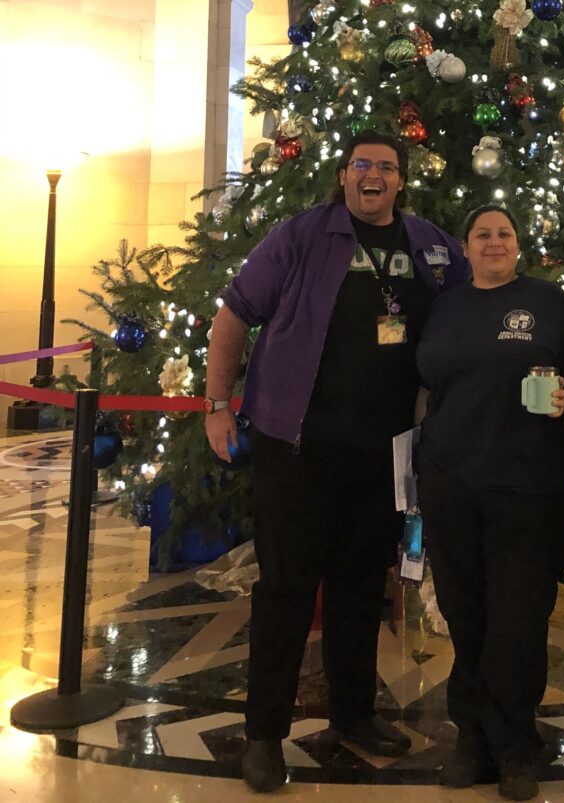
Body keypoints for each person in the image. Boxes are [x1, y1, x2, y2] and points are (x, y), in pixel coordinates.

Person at [203, 130, 469, 793]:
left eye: (387, 167)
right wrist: (216, 404)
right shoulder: (301, 236)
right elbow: (234, 314)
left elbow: (472, 307)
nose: (373, 175)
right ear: (344, 174)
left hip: (383, 455)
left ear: (401, 180)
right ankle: (264, 734)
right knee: (286, 590)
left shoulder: (431, 246)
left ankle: (353, 714)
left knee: (358, 588)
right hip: (298, 449)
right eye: (362, 164)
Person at [415, 205, 564, 801]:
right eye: (482, 234)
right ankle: (472, 739)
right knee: (464, 613)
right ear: (465, 247)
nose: (493, 242)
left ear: (518, 244)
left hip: (528, 487)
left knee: (518, 618)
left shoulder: (549, 303)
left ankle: (515, 747)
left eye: (504, 233)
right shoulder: (444, 306)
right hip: (451, 482)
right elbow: (426, 385)